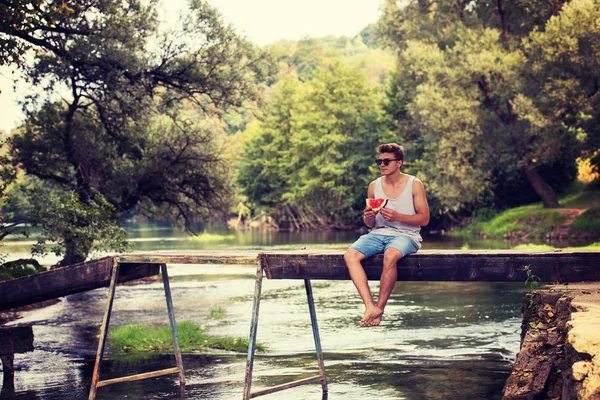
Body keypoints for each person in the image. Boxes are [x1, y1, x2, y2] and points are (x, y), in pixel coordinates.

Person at [344, 143, 430, 327]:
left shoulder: (414, 184)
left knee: (390, 255)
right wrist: (368, 217)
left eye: (386, 161)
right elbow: (370, 224)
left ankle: (380, 308)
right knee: (350, 255)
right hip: (378, 233)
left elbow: (424, 219)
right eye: (379, 161)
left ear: (399, 163)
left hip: (407, 235)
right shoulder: (374, 186)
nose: (382, 165)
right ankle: (369, 306)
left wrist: (399, 217)